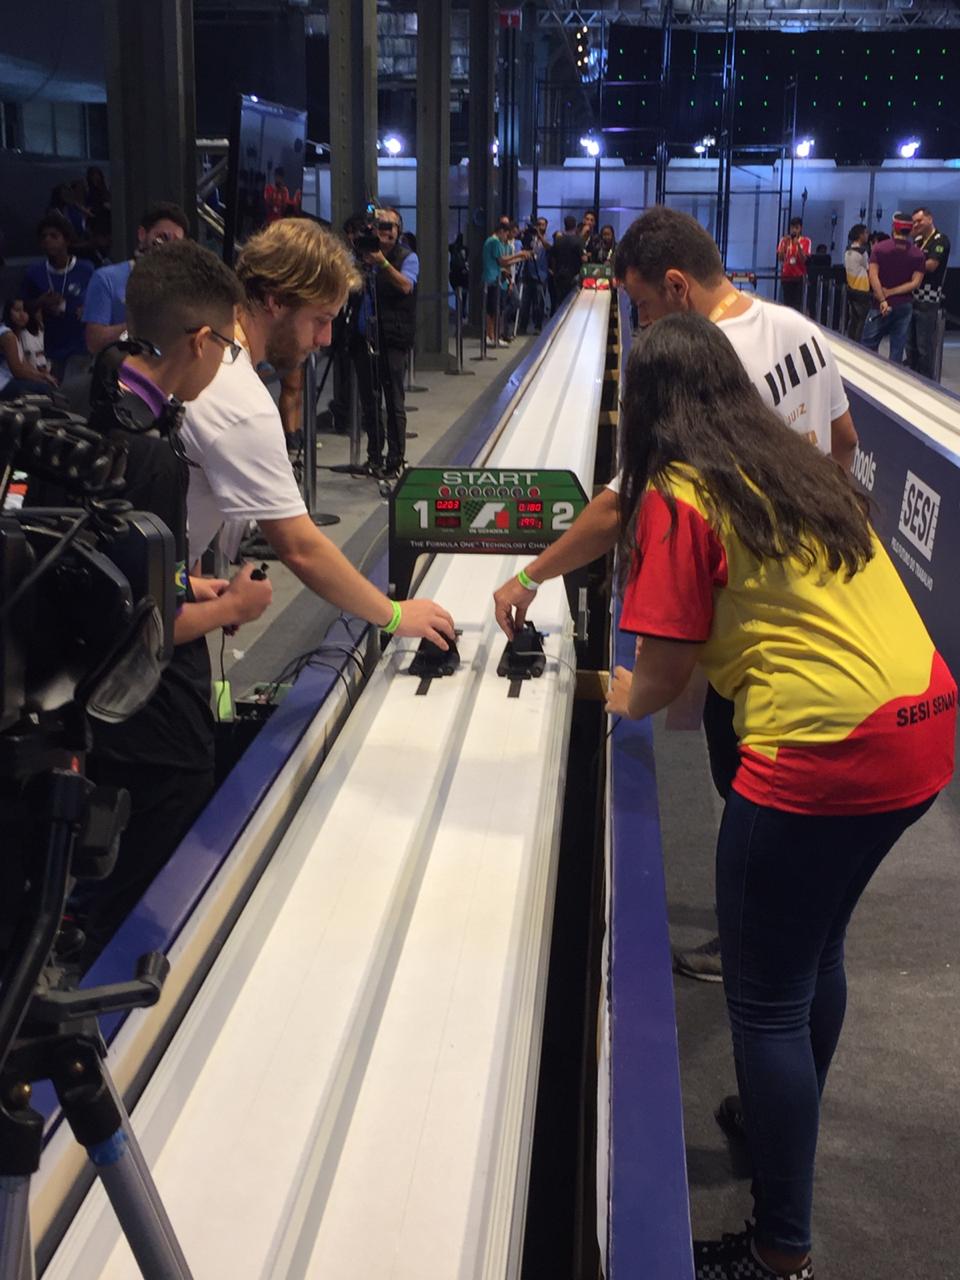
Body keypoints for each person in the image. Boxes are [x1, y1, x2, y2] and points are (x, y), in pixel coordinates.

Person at [605, 311, 955, 1280]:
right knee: (815, 951)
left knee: (763, 1003)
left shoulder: (678, 492)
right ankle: (777, 1123)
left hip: (821, 753)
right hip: (921, 724)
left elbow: (662, 676)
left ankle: (777, 1250)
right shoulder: (795, 463)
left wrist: (607, 695)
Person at [493, 205, 858, 980]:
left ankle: (755, 945)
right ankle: (791, 936)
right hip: (826, 615)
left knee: (752, 792)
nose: (642, 326)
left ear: (676, 286)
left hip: (752, 630)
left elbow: (624, 504)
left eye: (646, 308)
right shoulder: (797, 330)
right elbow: (844, 446)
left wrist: (532, 572)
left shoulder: (696, 367)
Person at [74, 240, 273, 965]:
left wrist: (184, 582)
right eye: (225, 347)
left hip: (77, 705)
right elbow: (140, 629)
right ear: (200, 339)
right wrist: (231, 609)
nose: (223, 364)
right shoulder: (155, 454)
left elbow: (96, 565)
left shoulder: (77, 406)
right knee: (148, 876)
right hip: (147, 719)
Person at [181, 216, 456, 648]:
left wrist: (187, 584)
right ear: (274, 300)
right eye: (320, 319)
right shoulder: (239, 397)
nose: (326, 339)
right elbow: (299, 548)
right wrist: (395, 615)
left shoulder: (203, 349)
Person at [84, 202, 191, 355]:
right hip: (119, 372)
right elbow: (94, 342)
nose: (168, 247)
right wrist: (143, 325)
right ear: (142, 234)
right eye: (162, 237)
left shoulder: (183, 285)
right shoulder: (106, 278)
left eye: (176, 243)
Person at [358, 206, 418, 477]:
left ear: (398, 230)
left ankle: (395, 459)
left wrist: (382, 263)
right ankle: (374, 456)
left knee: (394, 400)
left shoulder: (408, 257)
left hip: (394, 337)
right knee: (370, 400)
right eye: (379, 227)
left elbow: (406, 285)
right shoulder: (362, 256)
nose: (384, 232)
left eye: (389, 227)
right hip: (366, 337)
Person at [21, 212, 94, 378]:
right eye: (44, 237)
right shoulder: (34, 273)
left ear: (67, 240)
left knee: (75, 388)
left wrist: (87, 310)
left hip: (80, 345)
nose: (48, 240)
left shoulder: (86, 269)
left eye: (54, 236)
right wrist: (40, 302)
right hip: (50, 346)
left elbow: (98, 301)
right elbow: (22, 307)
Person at [861, 211, 924, 365]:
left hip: (880, 305)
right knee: (897, 349)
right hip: (904, 305)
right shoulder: (918, 254)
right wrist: (893, 292)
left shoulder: (880, 249)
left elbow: (873, 276)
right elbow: (916, 283)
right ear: (910, 230)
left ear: (893, 227)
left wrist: (883, 297)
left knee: (867, 346)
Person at [906, 205, 951, 380]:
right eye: (913, 222)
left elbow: (931, 265)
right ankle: (912, 378)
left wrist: (910, 265)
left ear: (930, 219)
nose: (916, 224)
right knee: (910, 345)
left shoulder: (940, 240)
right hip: (912, 297)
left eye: (919, 220)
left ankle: (927, 383)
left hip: (929, 299)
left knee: (925, 347)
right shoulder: (916, 241)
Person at [481, 216, 530, 347]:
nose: (506, 238)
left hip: (495, 278)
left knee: (494, 310)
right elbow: (502, 261)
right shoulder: (494, 242)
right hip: (493, 279)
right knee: (493, 310)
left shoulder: (492, 242)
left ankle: (492, 336)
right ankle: (491, 336)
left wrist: (519, 258)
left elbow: (505, 261)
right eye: (506, 234)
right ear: (501, 231)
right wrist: (519, 255)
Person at [0, 298, 59, 399]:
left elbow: (24, 364)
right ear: (8, 312)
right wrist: (40, 379)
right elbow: (18, 371)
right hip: (3, 383)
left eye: (25, 311)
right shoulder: (7, 335)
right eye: (17, 310)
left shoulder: (17, 334)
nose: (22, 315)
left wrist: (43, 375)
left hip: (9, 380)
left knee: (49, 385)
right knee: (45, 390)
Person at [518, 216, 550, 334]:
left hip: (541, 275)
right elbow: (519, 238)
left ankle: (537, 326)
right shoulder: (529, 238)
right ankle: (522, 326)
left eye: (542, 224)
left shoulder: (547, 238)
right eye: (538, 224)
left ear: (546, 226)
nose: (540, 226)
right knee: (525, 303)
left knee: (539, 303)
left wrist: (539, 235)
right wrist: (525, 231)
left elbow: (548, 247)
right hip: (528, 274)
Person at [776, 216, 811, 312]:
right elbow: (780, 258)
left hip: (798, 277)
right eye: (792, 228)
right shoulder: (784, 240)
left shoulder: (806, 241)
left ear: (800, 228)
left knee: (797, 305)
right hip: (786, 276)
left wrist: (798, 246)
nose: (794, 230)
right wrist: (784, 246)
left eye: (797, 228)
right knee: (786, 305)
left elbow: (804, 259)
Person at [551, 214, 586, 308]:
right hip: (574, 277)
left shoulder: (558, 240)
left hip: (560, 276)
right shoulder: (578, 241)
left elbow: (553, 258)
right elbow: (584, 259)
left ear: (565, 225)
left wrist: (555, 273)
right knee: (573, 303)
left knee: (561, 305)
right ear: (575, 225)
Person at [843, 223, 871, 342]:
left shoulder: (847, 251)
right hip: (862, 289)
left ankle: (850, 341)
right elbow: (868, 267)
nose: (867, 235)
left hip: (851, 287)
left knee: (853, 318)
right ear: (860, 235)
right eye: (865, 233)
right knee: (861, 320)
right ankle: (858, 343)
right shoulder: (862, 252)